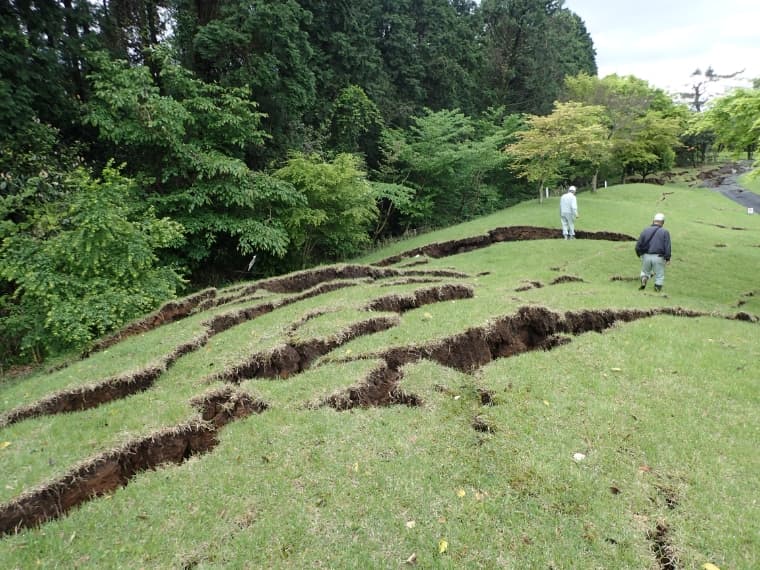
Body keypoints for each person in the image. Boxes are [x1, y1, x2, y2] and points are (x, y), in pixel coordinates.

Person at [635, 212, 671, 292]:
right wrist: (667, 258)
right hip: (659, 257)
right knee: (659, 275)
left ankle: (644, 280)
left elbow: (638, 244)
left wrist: (639, 254)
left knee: (645, 272)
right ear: (662, 222)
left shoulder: (645, 230)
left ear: (653, 220)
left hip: (646, 256)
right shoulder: (665, 232)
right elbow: (667, 246)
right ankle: (656, 290)